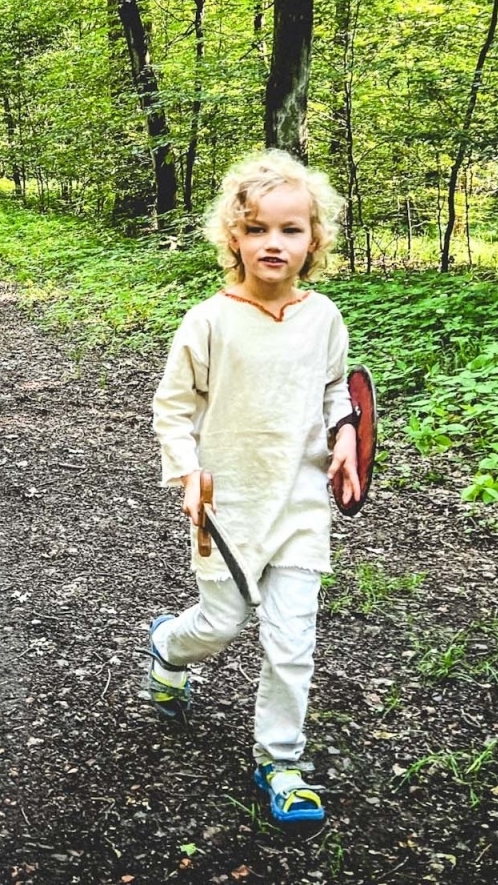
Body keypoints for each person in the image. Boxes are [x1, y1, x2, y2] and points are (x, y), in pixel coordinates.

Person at [146, 148, 361, 825]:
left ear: (314, 239)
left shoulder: (323, 316)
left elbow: (336, 390)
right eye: (259, 228)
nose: (275, 243)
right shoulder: (209, 320)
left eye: (291, 230)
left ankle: (281, 761)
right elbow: (173, 410)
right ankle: (167, 649)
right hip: (227, 504)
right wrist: (188, 473)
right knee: (220, 623)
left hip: (298, 503)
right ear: (233, 236)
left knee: (292, 641)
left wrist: (348, 432)